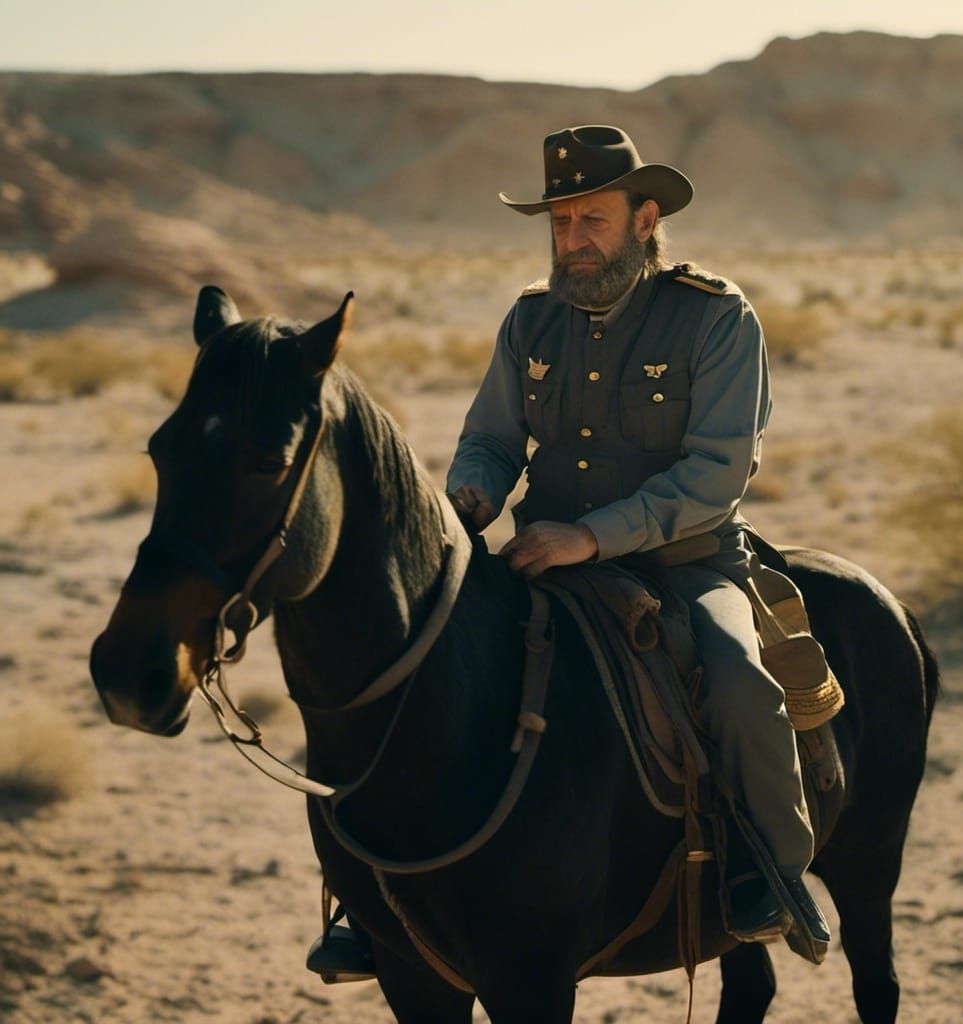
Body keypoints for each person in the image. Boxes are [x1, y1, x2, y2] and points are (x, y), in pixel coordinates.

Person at [311, 125, 829, 981]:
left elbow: (718, 471)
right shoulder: (532, 318)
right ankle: (369, 908)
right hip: (538, 558)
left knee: (741, 683)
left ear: (646, 217)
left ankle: (773, 873)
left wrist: (594, 535)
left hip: (685, 563)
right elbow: (489, 437)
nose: (573, 241)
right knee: (401, 679)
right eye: (561, 224)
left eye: (593, 220)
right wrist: (471, 495)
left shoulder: (716, 315)